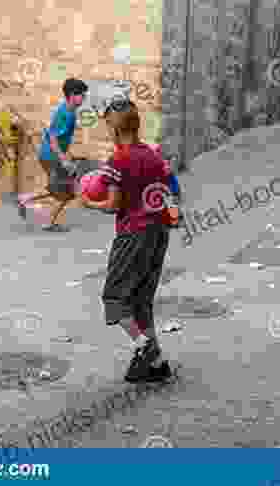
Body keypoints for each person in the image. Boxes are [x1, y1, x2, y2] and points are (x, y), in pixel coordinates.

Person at [80, 100, 173, 383]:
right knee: (141, 302)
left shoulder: (118, 160)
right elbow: (165, 193)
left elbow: (112, 205)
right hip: (159, 232)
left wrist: (86, 202)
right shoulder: (153, 155)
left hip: (133, 234)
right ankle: (157, 364)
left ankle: (144, 349)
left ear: (113, 127)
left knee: (115, 299)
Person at [19, 78, 89, 231]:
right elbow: (53, 137)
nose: (84, 98)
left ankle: (26, 199)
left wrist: (67, 155)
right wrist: (63, 159)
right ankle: (47, 222)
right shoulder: (66, 113)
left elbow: (60, 137)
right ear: (72, 95)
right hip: (52, 155)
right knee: (66, 191)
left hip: (51, 154)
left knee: (59, 187)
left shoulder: (68, 110)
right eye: (82, 95)